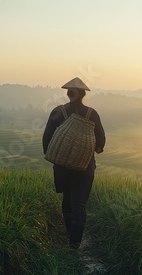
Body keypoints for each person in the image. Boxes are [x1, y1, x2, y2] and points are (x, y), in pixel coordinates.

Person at [42, 77, 106, 249]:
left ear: (68, 93)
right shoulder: (92, 114)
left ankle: (70, 232)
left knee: (67, 198)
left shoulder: (58, 112)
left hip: (63, 166)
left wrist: (53, 155)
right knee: (79, 203)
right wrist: (96, 149)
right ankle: (75, 242)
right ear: (83, 94)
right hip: (85, 167)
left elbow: (46, 137)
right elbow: (101, 141)